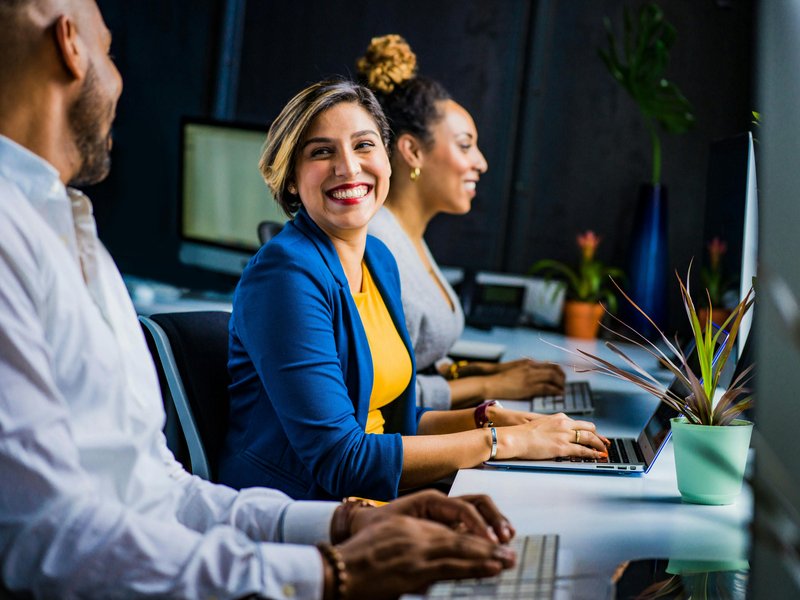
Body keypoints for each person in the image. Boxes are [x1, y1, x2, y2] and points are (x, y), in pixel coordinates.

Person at [0, 1, 520, 597]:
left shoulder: (70, 230)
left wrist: (347, 525)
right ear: (70, 45)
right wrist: (331, 570)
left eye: (363, 145)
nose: (119, 82)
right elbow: (46, 538)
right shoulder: (12, 238)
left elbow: (158, 491)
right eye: (110, 51)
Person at [219, 77, 609, 502]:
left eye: (364, 145)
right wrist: (504, 443)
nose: (349, 167)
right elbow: (341, 460)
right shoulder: (285, 275)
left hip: (371, 501)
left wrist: (492, 421)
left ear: (387, 159)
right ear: (292, 179)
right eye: (321, 151)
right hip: (300, 513)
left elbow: (393, 424)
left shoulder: (379, 260)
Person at [358, 35, 568, 410]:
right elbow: (381, 396)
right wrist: (491, 387)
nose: (481, 163)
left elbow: (416, 362)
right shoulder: (376, 245)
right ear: (412, 151)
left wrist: (481, 373)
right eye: (465, 145)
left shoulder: (408, 237)